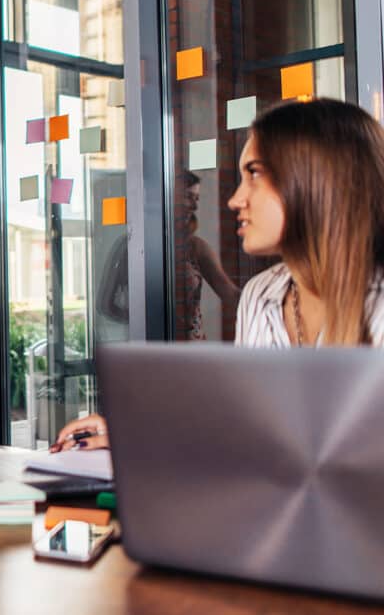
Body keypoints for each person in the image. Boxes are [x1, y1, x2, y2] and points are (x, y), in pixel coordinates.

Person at [52, 98, 384, 452]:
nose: (235, 199)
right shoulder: (260, 295)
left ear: (318, 176)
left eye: (254, 173)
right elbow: (252, 435)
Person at [181, 171, 240, 340]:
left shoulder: (196, 247)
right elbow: (107, 305)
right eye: (188, 197)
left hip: (191, 352)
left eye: (196, 198)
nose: (194, 206)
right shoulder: (133, 245)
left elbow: (230, 294)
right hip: (151, 345)